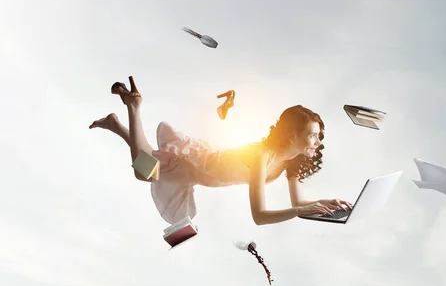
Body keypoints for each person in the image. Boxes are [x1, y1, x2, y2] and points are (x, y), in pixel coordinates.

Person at [89, 76, 353, 226]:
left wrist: (324, 204)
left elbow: (298, 203)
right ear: (293, 135)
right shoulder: (263, 156)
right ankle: (133, 108)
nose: (318, 141)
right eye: (313, 135)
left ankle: (118, 127)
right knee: (145, 171)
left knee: (149, 165)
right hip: (196, 164)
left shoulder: (290, 160)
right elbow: (259, 216)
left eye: (319, 135)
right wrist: (298, 212)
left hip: (205, 174)